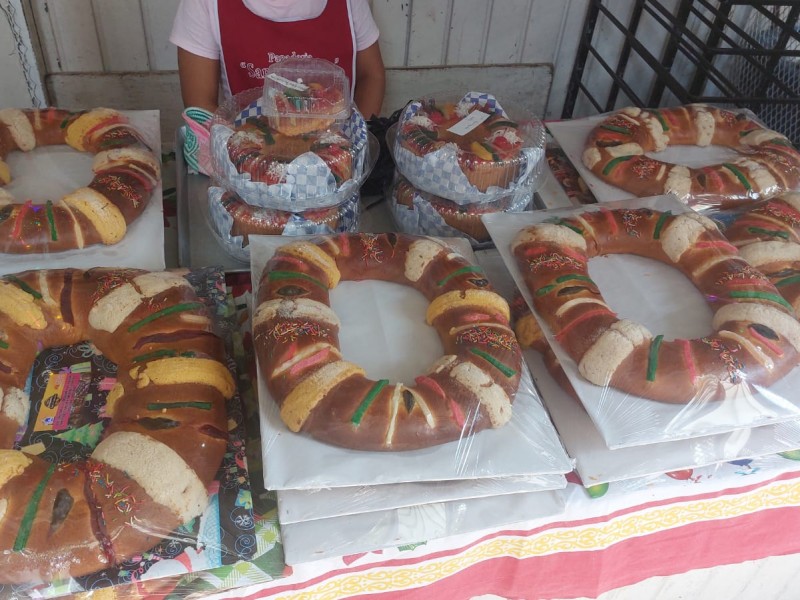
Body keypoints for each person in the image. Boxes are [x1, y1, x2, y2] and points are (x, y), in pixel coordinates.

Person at [169, 0, 386, 118]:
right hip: (250, 158)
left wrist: (356, 145)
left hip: (337, 155)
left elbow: (372, 76)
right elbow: (200, 104)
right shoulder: (205, 4)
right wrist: (244, 157)